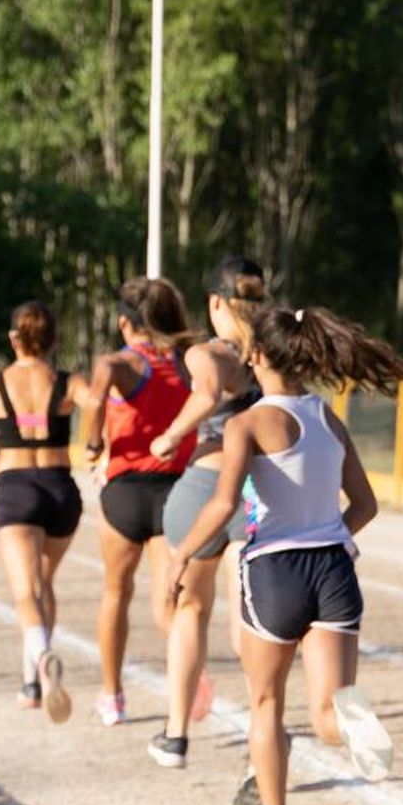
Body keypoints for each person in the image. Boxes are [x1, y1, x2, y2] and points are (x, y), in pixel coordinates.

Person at [164, 305, 403, 805]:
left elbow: (225, 503)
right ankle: (353, 724)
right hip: (333, 570)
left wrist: (181, 553)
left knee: (266, 705)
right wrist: (330, 538)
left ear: (254, 357)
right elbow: (366, 504)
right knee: (328, 711)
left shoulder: (246, 423)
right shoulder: (327, 417)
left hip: (274, 572)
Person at [145, 258, 267, 769]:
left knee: (190, 610)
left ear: (216, 303)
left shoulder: (205, 353)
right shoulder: (270, 354)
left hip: (203, 486)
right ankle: (264, 727)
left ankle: (175, 734)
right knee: (249, 623)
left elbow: (208, 395)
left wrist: (171, 435)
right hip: (255, 490)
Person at [0, 301, 92, 723]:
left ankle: (41, 659)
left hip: (17, 490)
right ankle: (31, 681)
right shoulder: (69, 382)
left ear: (14, 339)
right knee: (44, 582)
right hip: (60, 489)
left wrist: (0, 444)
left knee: (24, 592)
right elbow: (102, 404)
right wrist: (97, 442)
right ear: (54, 340)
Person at [83, 277, 196, 727]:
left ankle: (112, 696)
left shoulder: (121, 362)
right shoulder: (190, 363)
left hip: (125, 490)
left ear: (124, 323)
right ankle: (190, 669)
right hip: (177, 491)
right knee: (167, 604)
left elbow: (97, 391)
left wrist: (93, 442)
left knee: (115, 592)